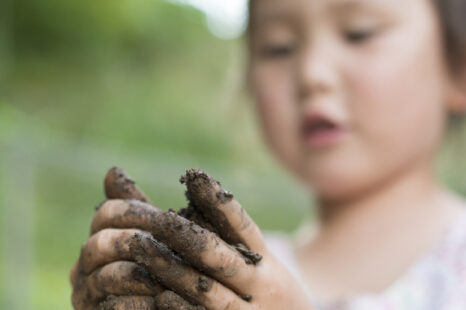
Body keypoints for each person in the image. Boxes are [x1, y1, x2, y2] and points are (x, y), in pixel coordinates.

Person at [70, 0, 466, 309]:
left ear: (458, 66)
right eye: (278, 48)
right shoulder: (241, 268)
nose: (312, 72)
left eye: (358, 33)